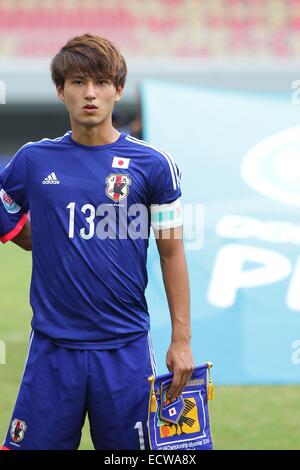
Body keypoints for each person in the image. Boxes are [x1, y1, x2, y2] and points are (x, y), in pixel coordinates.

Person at [0, 34, 194, 450]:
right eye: (77, 82)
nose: (90, 93)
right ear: (60, 90)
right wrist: (36, 238)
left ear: (117, 89)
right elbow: (7, 211)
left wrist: (182, 341)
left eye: (101, 82)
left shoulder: (155, 165)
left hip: (125, 350)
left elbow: (172, 251)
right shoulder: (33, 160)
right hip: (53, 349)